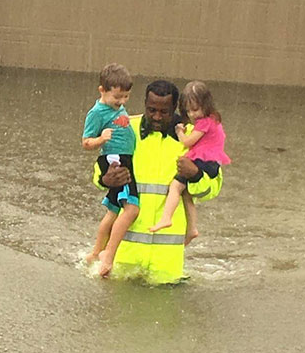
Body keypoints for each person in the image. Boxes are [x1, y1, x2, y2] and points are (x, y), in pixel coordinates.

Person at [93, 79, 223, 284]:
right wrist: (105, 179)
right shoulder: (126, 128)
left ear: (176, 108)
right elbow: (100, 171)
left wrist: (196, 174)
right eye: (151, 110)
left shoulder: (193, 137)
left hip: (166, 266)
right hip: (123, 260)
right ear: (144, 104)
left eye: (164, 112)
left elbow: (212, 189)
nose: (156, 116)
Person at [150, 80, 231, 241]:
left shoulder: (205, 123)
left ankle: (167, 217)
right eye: (188, 111)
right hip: (211, 160)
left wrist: (180, 131)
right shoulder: (213, 119)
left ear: (206, 104)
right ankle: (192, 228)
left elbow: (187, 142)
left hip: (205, 161)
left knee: (175, 186)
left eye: (195, 109)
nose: (192, 115)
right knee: (187, 194)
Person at [82, 63, 140, 268]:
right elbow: (85, 142)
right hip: (116, 161)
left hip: (125, 158)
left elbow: (122, 123)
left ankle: (95, 253)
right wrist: (100, 139)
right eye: (117, 97)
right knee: (132, 208)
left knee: (113, 210)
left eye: (126, 97)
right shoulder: (97, 113)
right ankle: (107, 253)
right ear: (102, 91)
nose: (121, 101)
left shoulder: (117, 108)